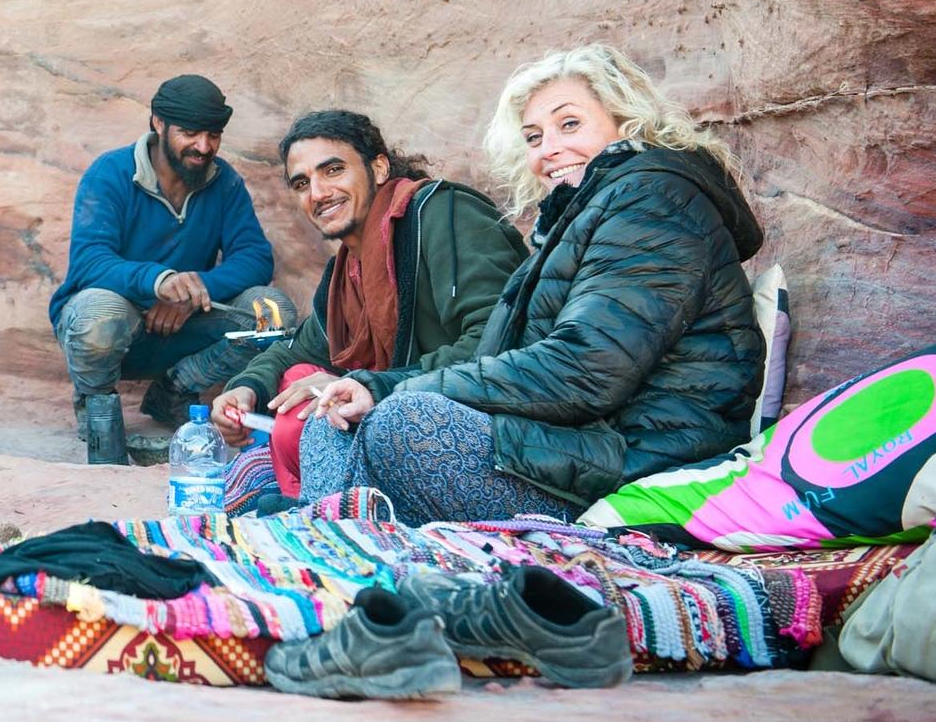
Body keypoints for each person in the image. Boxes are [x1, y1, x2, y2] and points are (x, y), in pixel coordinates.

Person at [305, 44, 764, 523]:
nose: (548, 149)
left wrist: (399, 395)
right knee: (332, 416)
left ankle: (345, 533)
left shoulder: (655, 201)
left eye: (570, 124)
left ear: (625, 121)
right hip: (579, 440)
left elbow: (587, 371)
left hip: (639, 454)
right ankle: (337, 539)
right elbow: (494, 359)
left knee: (404, 426)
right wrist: (374, 385)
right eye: (533, 137)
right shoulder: (578, 218)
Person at [211, 110, 527, 503]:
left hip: (490, 440)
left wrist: (368, 384)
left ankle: (324, 513)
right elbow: (298, 349)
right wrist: (244, 390)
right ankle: (325, 507)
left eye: (333, 170)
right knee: (300, 380)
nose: (318, 193)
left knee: (326, 410)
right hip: (402, 431)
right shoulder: (347, 270)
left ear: (378, 168)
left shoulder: (446, 215)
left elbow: (499, 348)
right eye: (302, 183)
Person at [48, 74, 293, 446]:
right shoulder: (110, 173)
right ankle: (96, 407)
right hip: (117, 327)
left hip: (184, 326)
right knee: (99, 313)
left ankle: (175, 390)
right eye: (190, 133)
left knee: (274, 312)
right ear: (158, 123)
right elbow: (89, 262)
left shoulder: (224, 182)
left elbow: (255, 256)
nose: (204, 146)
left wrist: (193, 291)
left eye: (213, 135)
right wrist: (159, 281)